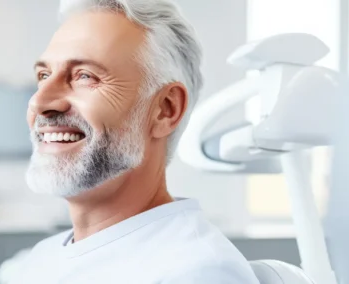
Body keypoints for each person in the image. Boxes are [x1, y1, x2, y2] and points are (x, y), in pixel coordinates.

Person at [14, 0, 259, 283]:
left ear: (165, 110)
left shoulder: (197, 271)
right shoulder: (42, 259)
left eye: (85, 76)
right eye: (43, 76)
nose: (40, 101)